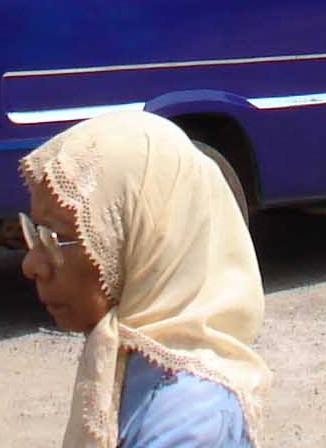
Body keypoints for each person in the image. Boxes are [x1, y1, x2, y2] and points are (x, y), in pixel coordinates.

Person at [18, 111, 269, 448]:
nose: (32, 265)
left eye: (57, 237)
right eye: (35, 234)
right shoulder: (130, 360)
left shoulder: (190, 419)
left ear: (144, 240)